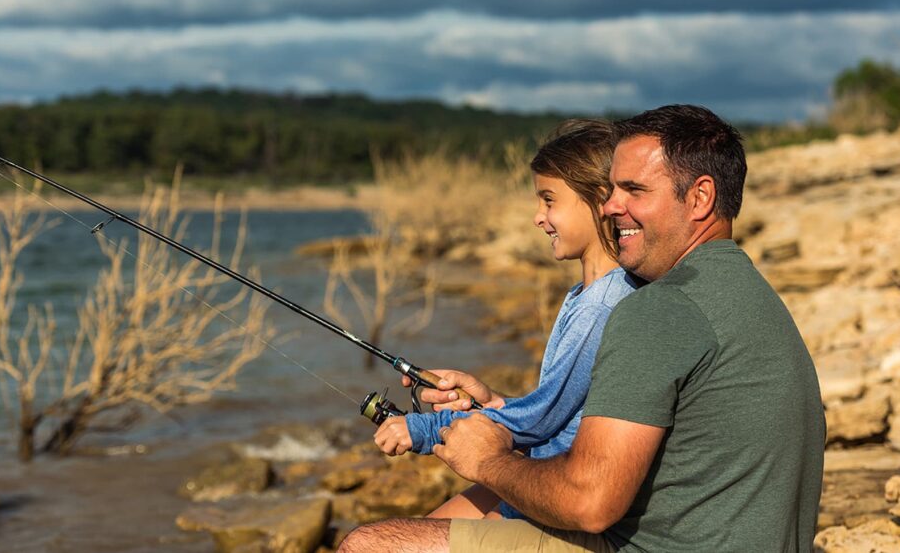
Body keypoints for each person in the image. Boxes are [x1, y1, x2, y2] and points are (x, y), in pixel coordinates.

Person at [339, 104, 825, 553]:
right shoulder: (747, 294)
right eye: (611, 189)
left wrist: (487, 460)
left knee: (368, 545)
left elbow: (590, 503)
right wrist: (499, 409)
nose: (611, 206)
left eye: (634, 191)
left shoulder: (660, 310)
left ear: (700, 197)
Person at [372, 118, 639, 521]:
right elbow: (558, 410)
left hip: (549, 485)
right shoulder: (586, 296)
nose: (537, 217)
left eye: (549, 200)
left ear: (600, 200)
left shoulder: (603, 305)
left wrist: (425, 429)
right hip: (539, 465)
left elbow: (542, 416)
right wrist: (492, 403)